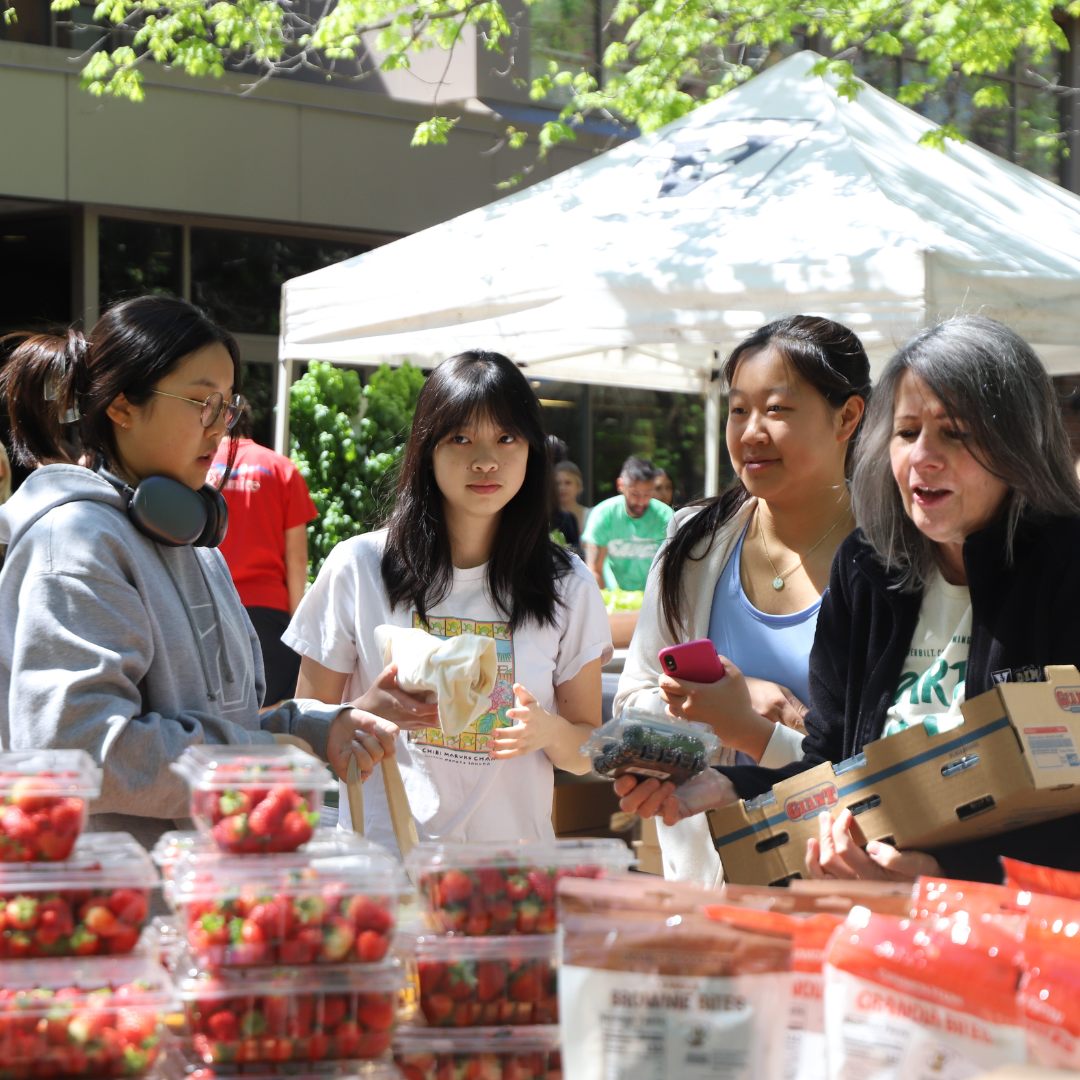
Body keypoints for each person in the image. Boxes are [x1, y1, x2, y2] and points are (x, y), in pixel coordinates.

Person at [617, 315, 1080, 885]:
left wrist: (938, 873)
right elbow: (832, 767)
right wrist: (725, 785)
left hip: (1020, 940)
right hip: (866, 925)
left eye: (954, 432)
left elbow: (1063, 799)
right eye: (908, 432)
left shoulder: (1063, 570)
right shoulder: (869, 567)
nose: (922, 458)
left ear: (1019, 439)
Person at [0, 297, 395, 851]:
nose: (219, 429)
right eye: (200, 403)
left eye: (226, 407)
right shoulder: (73, 543)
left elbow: (219, 719)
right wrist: (255, 759)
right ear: (120, 406)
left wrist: (304, 725)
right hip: (123, 908)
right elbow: (78, 749)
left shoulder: (190, 540)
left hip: (209, 893)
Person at [283, 350, 612, 858]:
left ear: (531, 450)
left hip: (509, 878)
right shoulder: (360, 566)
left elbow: (585, 753)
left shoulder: (566, 583)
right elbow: (302, 730)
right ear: (426, 449)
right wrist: (363, 713)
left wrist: (547, 731)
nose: (485, 460)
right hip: (385, 868)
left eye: (506, 437)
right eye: (461, 438)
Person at [613, 316, 869, 884]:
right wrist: (717, 711)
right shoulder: (694, 543)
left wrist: (762, 726)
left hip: (844, 879)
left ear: (847, 417)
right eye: (738, 410)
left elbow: (882, 762)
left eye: (777, 409)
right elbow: (633, 701)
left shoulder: (892, 560)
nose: (751, 431)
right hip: (708, 878)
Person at [210, 410, 318, 706]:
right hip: (268, 612)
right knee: (268, 715)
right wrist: (298, 631)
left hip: (205, 604)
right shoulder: (280, 468)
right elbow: (297, 559)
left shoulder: (194, 467)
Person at [583, 456, 673, 591]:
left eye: (647, 494)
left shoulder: (666, 517)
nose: (641, 502)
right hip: (614, 599)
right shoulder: (603, 514)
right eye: (635, 493)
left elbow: (672, 571)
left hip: (654, 599)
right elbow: (594, 570)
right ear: (621, 485)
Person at [555, 460, 591, 534]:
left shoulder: (591, 516)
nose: (562, 488)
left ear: (578, 486)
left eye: (568, 483)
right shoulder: (547, 518)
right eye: (557, 484)